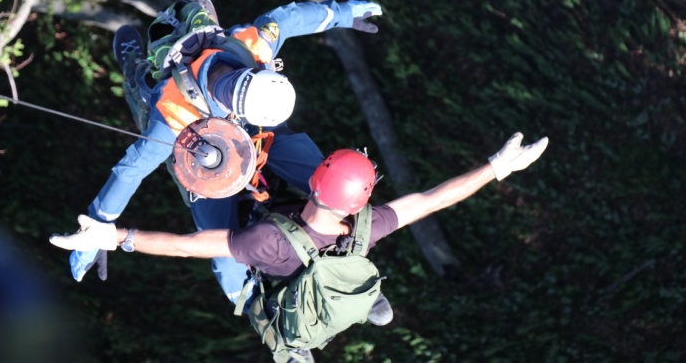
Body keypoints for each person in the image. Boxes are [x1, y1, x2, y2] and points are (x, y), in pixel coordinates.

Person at [51, 132, 549, 363]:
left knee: (208, 213)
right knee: (334, 259)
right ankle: (365, 302)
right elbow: (431, 200)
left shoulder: (264, 242)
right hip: (326, 263)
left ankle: (292, 351)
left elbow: (189, 246)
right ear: (358, 202)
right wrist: (497, 168)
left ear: (314, 181)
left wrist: (114, 236)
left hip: (266, 280)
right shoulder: (366, 226)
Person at [66, 0, 384, 306]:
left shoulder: (252, 46)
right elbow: (132, 169)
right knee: (220, 245)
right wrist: (98, 224)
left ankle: (355, 273)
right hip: (202, 151)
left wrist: (343, 13)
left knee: (332, 184)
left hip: (264, 134)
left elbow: (289, 18)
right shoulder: (175, 108)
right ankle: (254, 308)